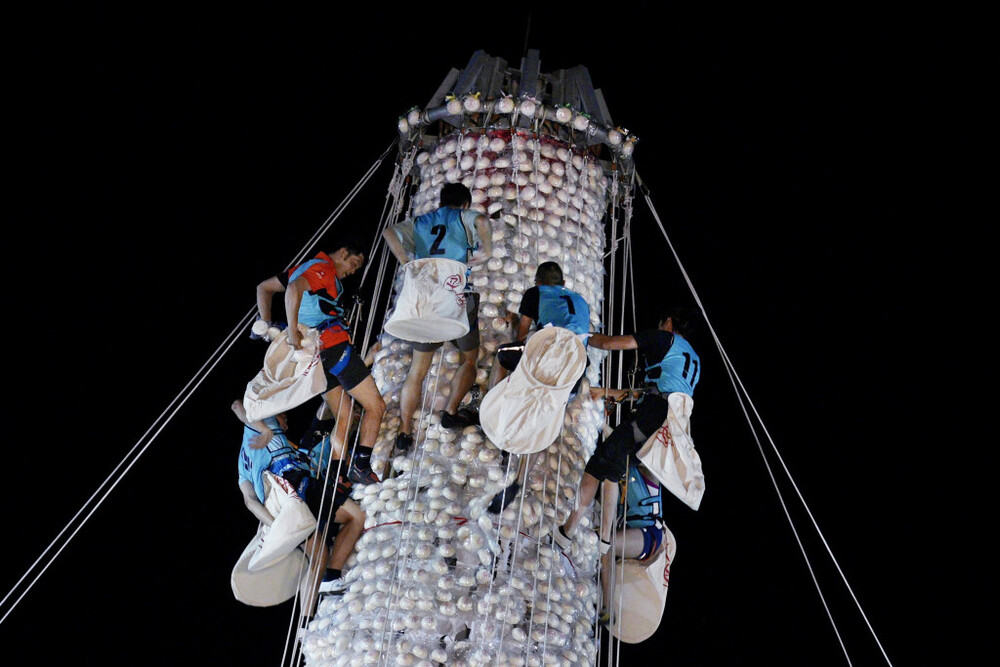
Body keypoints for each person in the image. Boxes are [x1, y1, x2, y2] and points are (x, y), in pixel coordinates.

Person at [555, 307, 700, 547]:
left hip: (651, 415)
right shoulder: (693, 358)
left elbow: (613, 344)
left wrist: (582, 336)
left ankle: (566, 532)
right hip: (669, 426)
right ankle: (604, 539)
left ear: (669, 322)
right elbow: (653, 390)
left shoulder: (665, 338)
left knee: (598, 462)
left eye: (661, 322)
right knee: (614, 468)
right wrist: (607, 393)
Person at [255, 237, 385, 484]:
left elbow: (264, 288)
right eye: (354, 264)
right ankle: (361, 464)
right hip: (332, 346)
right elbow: (294, 289)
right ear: (343, 252)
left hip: (314, 358)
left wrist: (267, 325)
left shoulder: (303, 268)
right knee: (375, 405)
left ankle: (337, 472)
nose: (352, 271)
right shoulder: (323, 268)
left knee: (344, 414)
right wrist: (291, 330)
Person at [382, 183, 492, 453]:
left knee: (417, 371)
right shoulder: (463, 217)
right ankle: (451, 411)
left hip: (425, 302)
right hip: (455, 298)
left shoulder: (422, 221)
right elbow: (482, 221)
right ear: (465, 203)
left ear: (441, 201)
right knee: (469, 358)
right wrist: (485, 251)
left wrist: (407, 260)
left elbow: (388, 233)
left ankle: (405, 430)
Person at [232, 401, 364, 613]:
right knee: (354, 517)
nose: (285, 424)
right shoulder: (262, 423)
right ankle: (329, 579)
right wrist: (266, 428)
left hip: (288, 505)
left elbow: (250, 501)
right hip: (295, 485)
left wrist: (279, 527)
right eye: (283, 417)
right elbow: (238, 406)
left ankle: (305, 621)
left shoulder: (242, 469)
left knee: (319, 556)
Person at [490, 261, 591, 387]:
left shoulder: (535, 293)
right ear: (564, 283)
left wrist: (513, 322)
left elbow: (521, 336)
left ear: (537, 282)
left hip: (551, 359)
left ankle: (495, 402)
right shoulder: (581, 301)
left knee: (503, 353)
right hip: (576, 370)